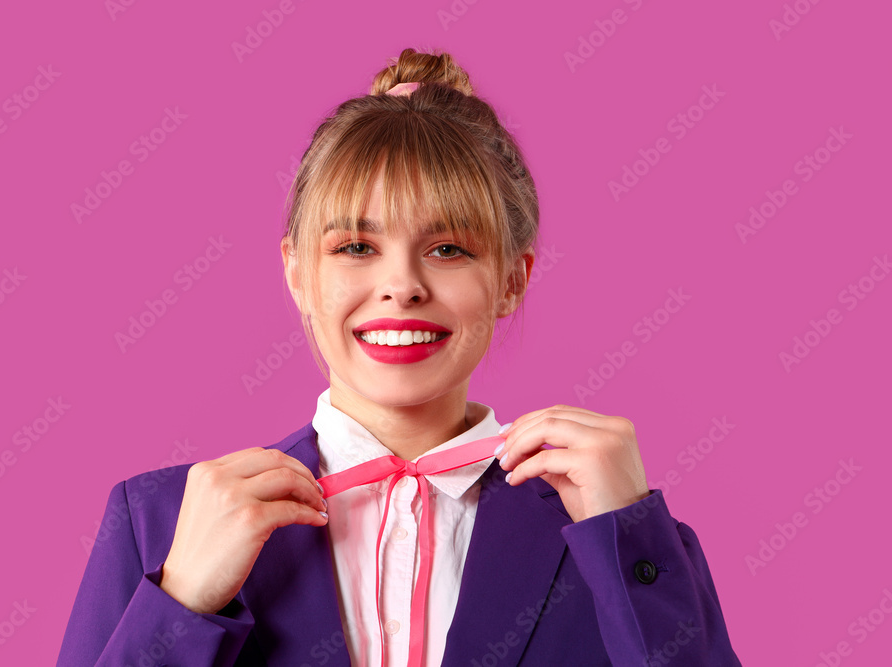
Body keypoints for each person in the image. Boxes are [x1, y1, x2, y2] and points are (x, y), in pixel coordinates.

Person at [57, 47, 743, 666]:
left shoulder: (607, 529)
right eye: (356, 247)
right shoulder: (159, 520)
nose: (402, 286)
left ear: (512, 280)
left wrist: (629, 535)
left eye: (448, 248)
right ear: (297, 272)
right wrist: (180, 604)